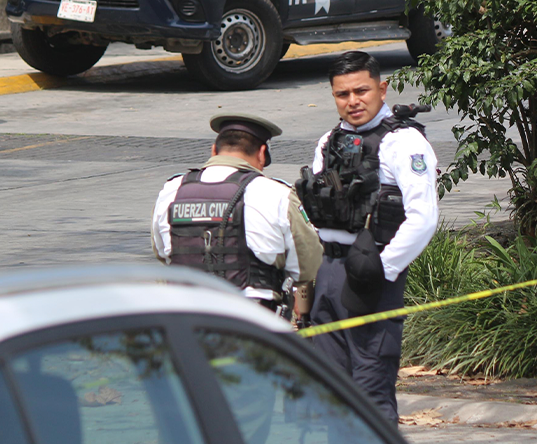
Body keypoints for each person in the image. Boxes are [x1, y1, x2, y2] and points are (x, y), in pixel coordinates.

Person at [296, 50, 438, 422]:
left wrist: (383, 268)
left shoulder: (404, 143)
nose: (353, 101)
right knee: (329, 394)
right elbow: (313, 210)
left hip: (372, 274)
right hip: (327, 270)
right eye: (343, 94)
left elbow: (423, 217)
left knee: (371, 391)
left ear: (382, 88)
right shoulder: (328, 141)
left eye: (362, 91)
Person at [152, 113, 322, 315]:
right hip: (250, 321)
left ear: (214, 150)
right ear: (262, 153)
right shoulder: (276, 194)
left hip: (184, 319)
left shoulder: (172, 190)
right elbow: (307, 268)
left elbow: (162, 253)